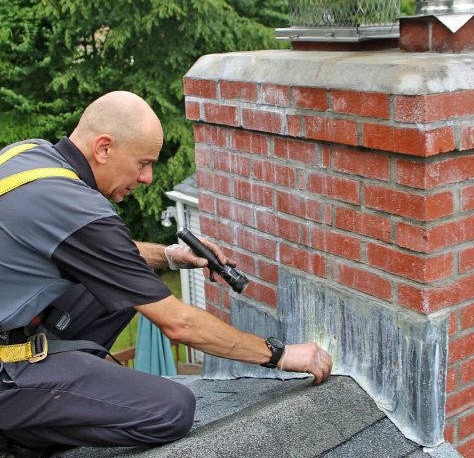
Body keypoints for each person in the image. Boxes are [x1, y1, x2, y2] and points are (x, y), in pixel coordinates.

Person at [0, 91, 332, 453]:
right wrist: (280, 355)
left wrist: (171, 256)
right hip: (6, 370)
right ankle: (25, 435)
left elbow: (103, 255)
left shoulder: (26, 156)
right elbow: (179, 324)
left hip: (17, 331)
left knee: (131, 284)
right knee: (172, 411)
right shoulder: (80, 210)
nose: (147, 177)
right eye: (143, 163)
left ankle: (62, 396)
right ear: (104, 148)